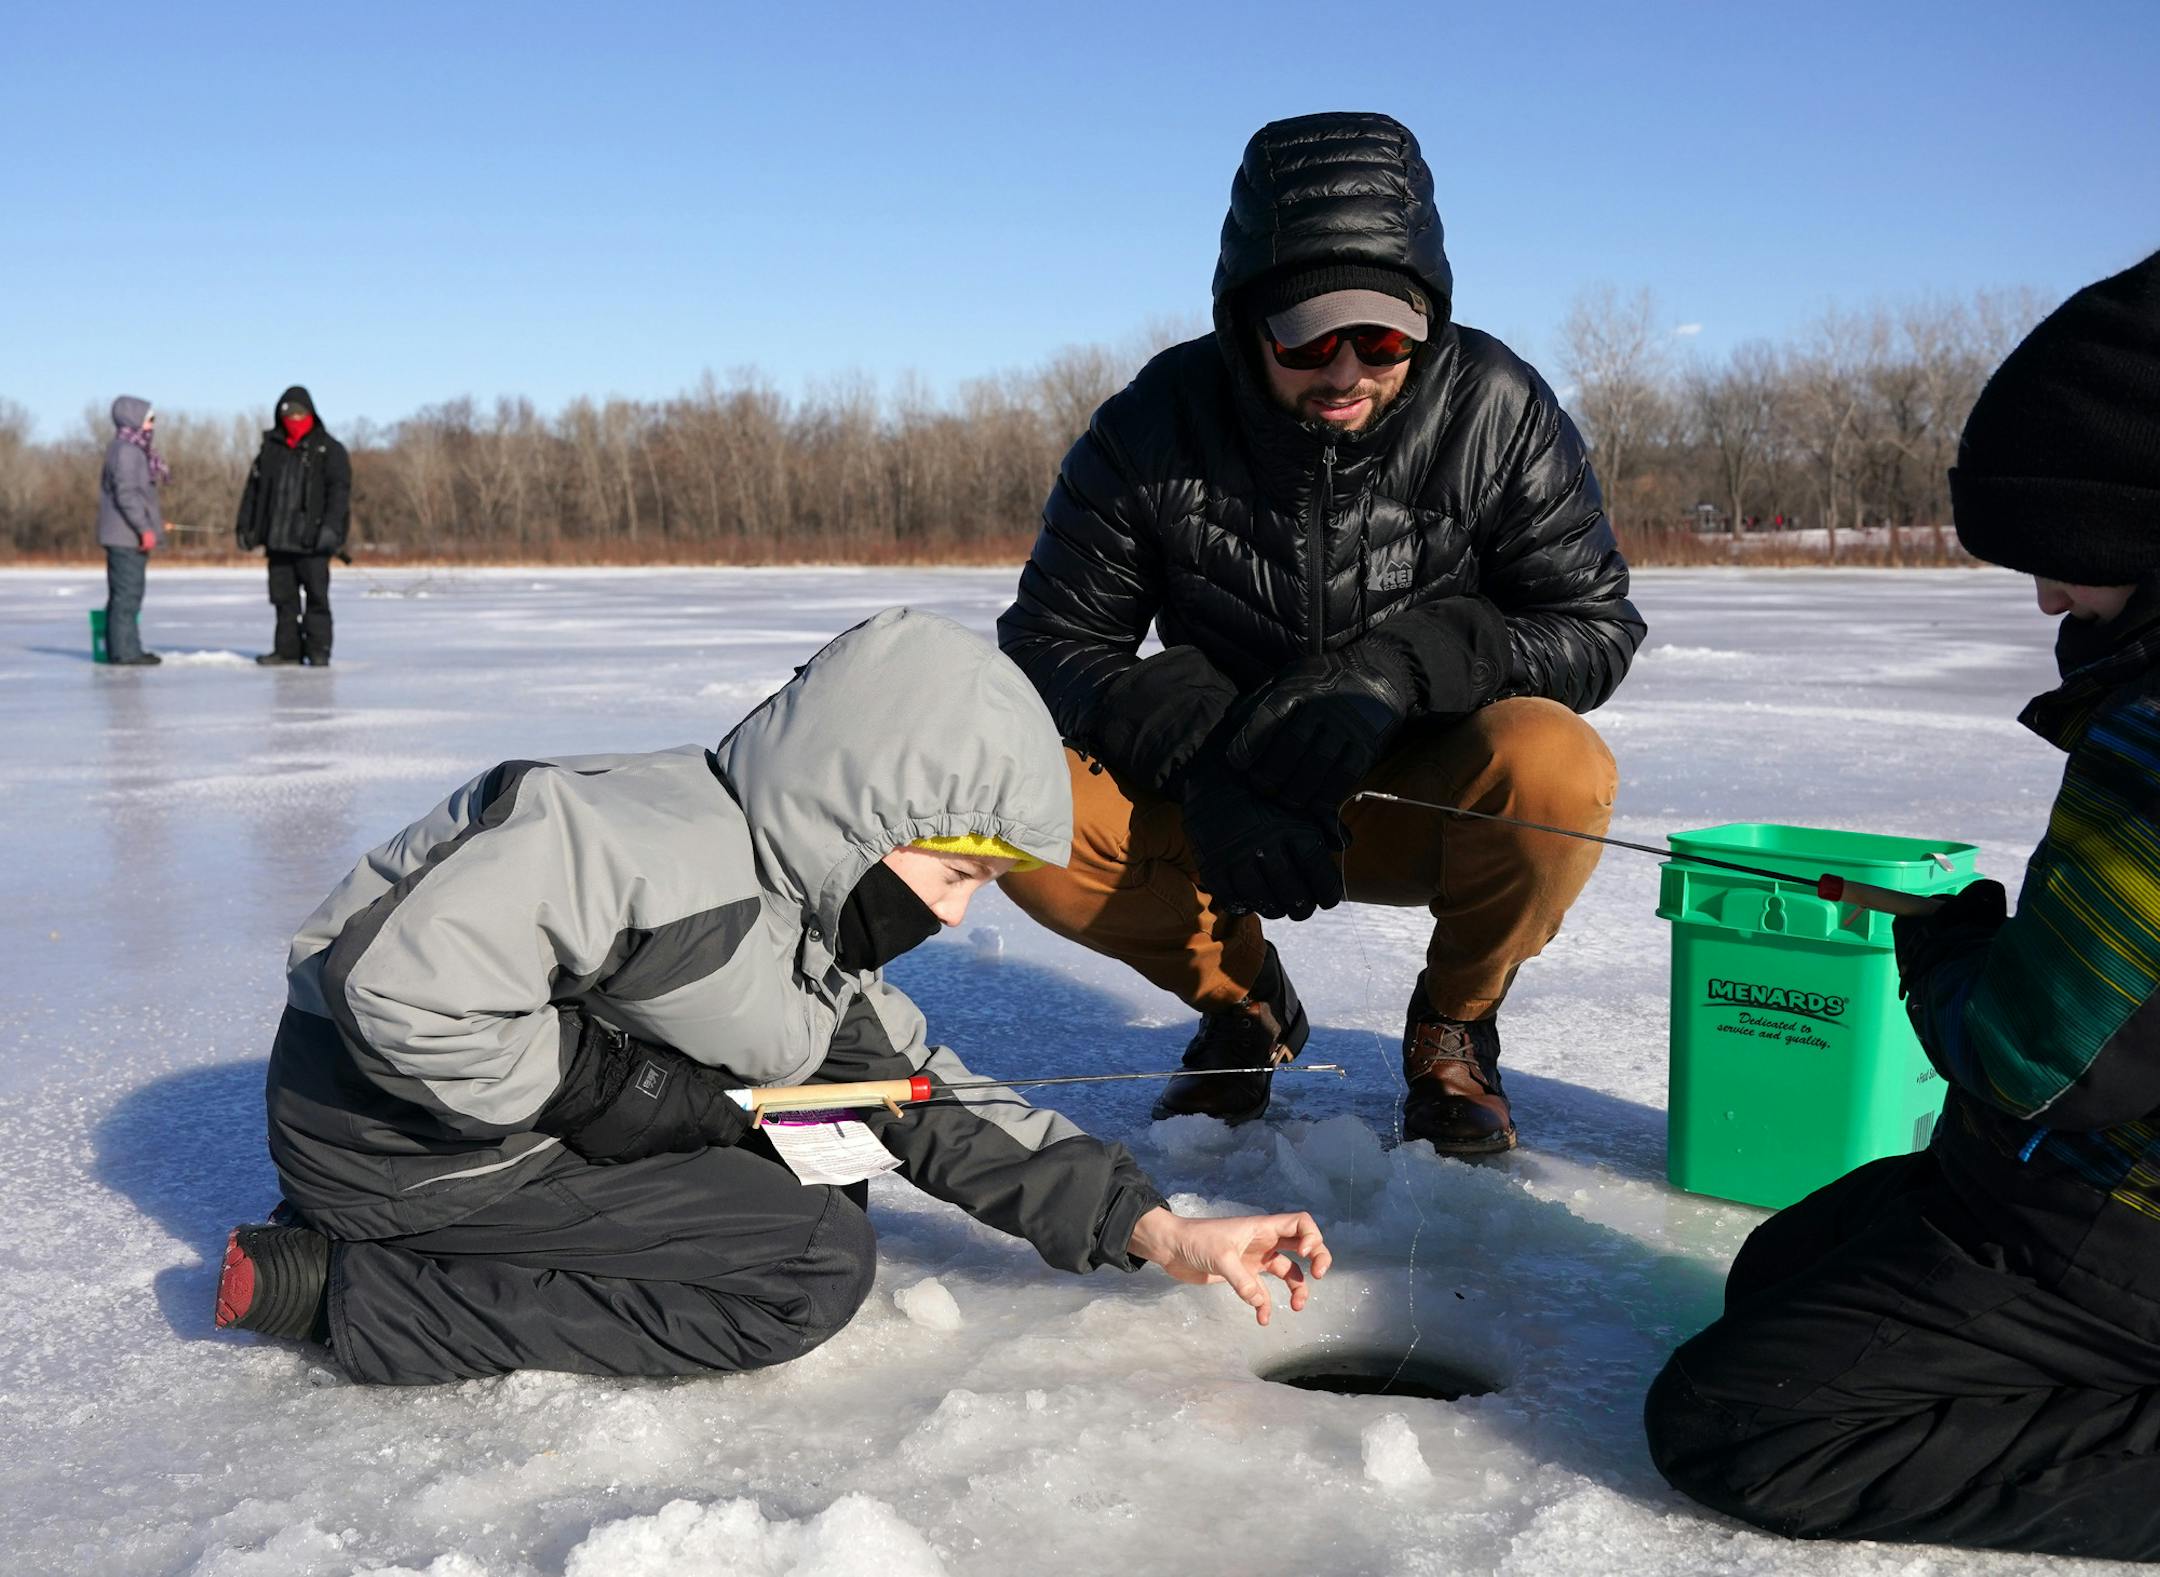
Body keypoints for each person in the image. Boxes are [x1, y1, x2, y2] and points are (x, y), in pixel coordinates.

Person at [213, 609, 1331, 1384]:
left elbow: (921, 1095)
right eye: (956, 874)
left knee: (823, 1166)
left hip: (457, 1120)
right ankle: (341, 1289)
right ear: (866, 820)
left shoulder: (804, 925)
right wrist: (604, 1082)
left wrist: (1160, 1231)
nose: (954, 917)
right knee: (807, 1267)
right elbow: (391, 982)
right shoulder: (652, 850)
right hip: (396, 1138)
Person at [1644, 250, 2160, 1560]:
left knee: (1739, 1419)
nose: (2048, 596)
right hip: (2075, 1178)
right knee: (1778, 1270)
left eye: (2070, 557)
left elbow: (2026, 1061)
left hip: (2111, 1221)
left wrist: (1944, 943)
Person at [997, 112, 1646, 1154]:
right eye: (1308, 338)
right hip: (1228, 799)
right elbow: (1050, 642)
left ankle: (1454, 1025)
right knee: (1013, 804)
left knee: (1557, 765)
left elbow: (1592, 624)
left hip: (1419, 790)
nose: (1346, 371)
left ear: (1426, 317)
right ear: (1245, 321)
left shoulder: (1499, 406)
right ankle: (1244, 1002)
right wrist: (1204, 756)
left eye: (1383, 338)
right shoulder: (1153, 422)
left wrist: (1401, 669)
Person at [235, 385, 351, 666]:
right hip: (278, 539)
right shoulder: (270, 450)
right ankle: (287, 650)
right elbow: (253, 491)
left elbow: (339, 493)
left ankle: (318, 650)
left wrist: (332, 530)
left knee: (317, 599)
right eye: (288, 415)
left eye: (300, 414)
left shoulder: (329, 449)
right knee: (283, 600)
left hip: (312, 541)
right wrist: (247, 527)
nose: (294, 420)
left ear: (311, 414)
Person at [95, 396, 171, 666]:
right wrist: (144, 529)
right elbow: (127, 494)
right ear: (133, 419)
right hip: (125, 536)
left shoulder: (132, 449)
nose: (152, 426)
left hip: (128, 535)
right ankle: (125, 652)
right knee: (127, 595)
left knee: (126, 594)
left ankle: (123, 648)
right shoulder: (126, 450)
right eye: (149, 420)